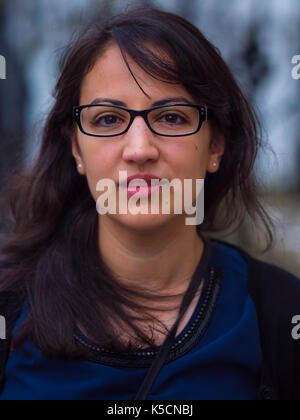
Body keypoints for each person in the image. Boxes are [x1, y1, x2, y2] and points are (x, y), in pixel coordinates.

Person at [0, 6, 299, 401]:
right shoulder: (10, 303)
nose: (139, 150)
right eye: (108, 119)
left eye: (171, 117)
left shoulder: (279, 315)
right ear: (76, 148)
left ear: (216, 145)